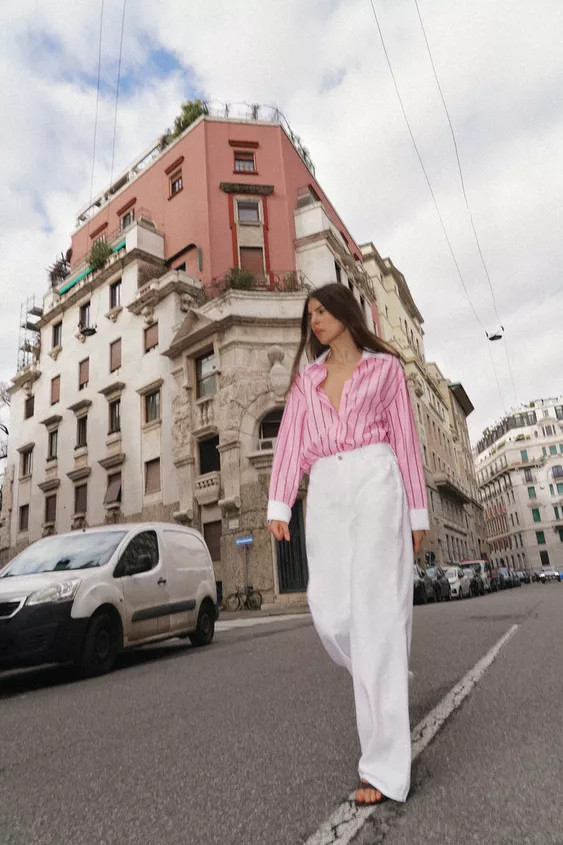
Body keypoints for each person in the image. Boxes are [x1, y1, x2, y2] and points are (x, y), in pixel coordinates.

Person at [267, 283, 428, 807]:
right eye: (308, 313)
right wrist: (279, 502)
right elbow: (290, 441)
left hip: (377, 480)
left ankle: (382, 768)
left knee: (376, 616)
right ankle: (381, 663)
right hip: (328, 491)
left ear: (344, 313)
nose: (314, 320)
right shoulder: (305, 382)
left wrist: (418, 510)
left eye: (322, 310)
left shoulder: (386, 370)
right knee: (333, 616)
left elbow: (405, 438)